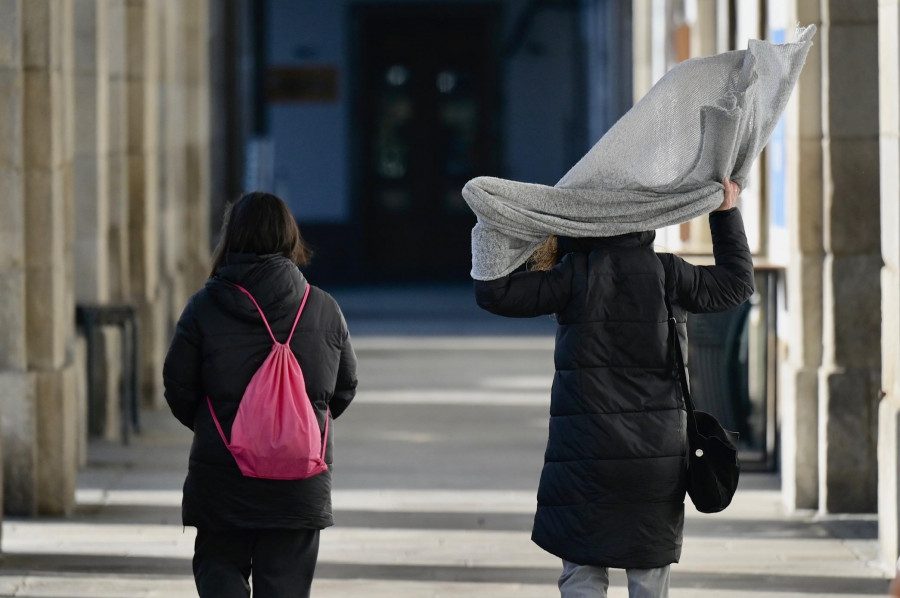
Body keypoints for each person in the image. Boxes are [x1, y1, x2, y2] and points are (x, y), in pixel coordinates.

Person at [473, 179, 753, 598]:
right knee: (648, 575)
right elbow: (737, 282)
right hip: (654, 455)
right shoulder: (668, 273)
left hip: (584, 454)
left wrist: (496, 223)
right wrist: (725, 212)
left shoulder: (572, 276)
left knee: (582, 570)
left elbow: (494, 292)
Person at [163, 191, 358, 598]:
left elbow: (178, 387)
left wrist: (220, 428)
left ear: (231, 238)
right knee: (286, 584)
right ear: (290, 238)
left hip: (223, 475)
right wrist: (294, 423)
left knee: (218, 568)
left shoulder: (204, 306)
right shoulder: (323, 307)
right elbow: (343, 389)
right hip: (299, 478)